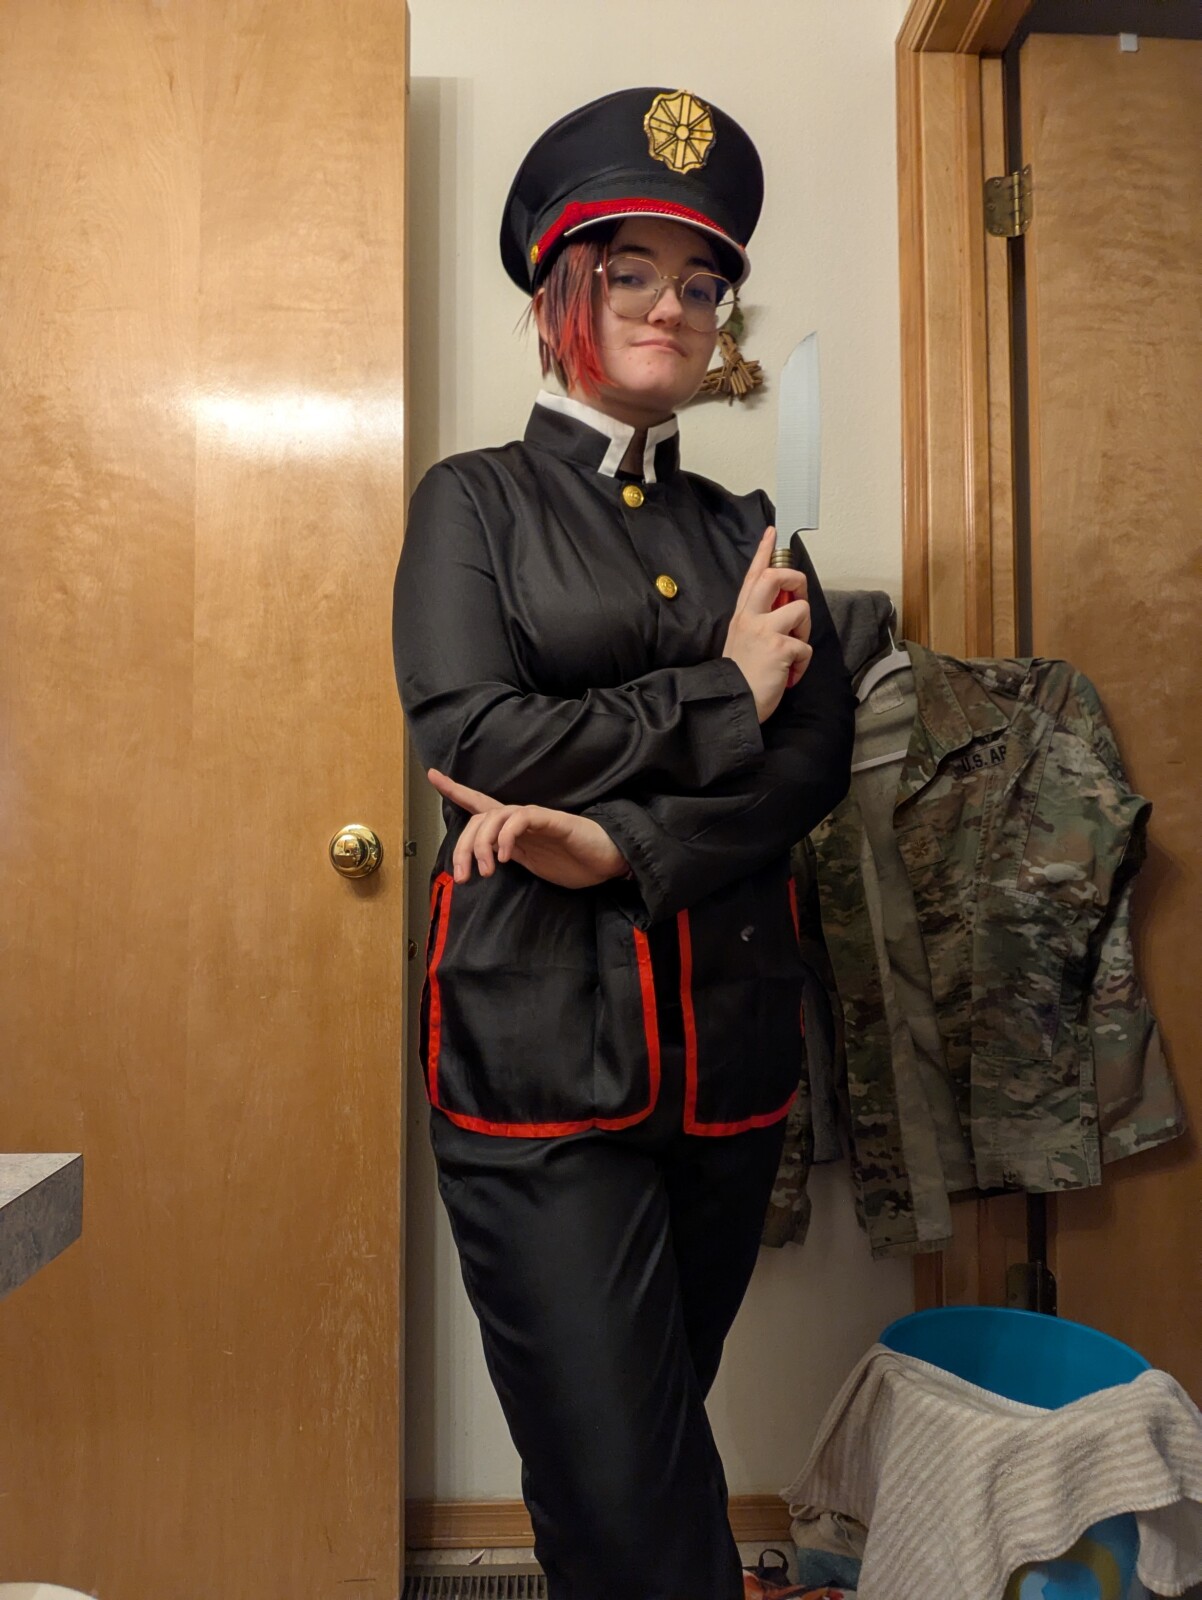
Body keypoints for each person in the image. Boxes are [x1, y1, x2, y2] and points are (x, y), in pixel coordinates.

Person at [393, 87, 854, 1600]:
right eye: (630, 270)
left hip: (725, 1061)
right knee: (625, 1492)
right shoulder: (471, 504)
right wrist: (723, 690)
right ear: (556, 297)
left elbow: (811, 765)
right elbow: (476, 740)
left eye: (700, 282)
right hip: (536, 1069)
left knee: (646, 1454)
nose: (671, 305)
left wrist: (624, 852)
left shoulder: (750, 526)